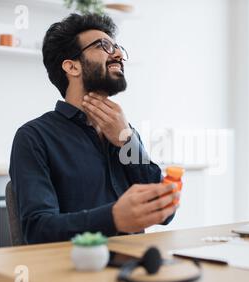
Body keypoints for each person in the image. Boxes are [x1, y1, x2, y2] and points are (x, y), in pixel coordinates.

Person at [9, 13, 178, 244]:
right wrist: (113, 218)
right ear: (72, 66)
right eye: (104, 46)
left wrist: (127, 141)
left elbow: (165, 211)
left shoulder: (125, 132)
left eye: (118, 48)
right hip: (72, 272)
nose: (118, 54)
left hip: (133, 269)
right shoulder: (34, 137)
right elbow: (38, 230)